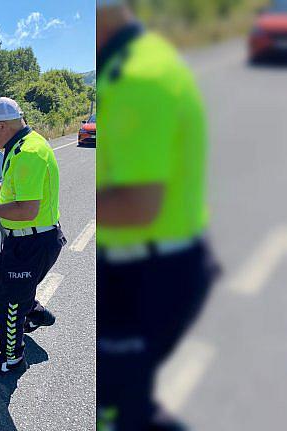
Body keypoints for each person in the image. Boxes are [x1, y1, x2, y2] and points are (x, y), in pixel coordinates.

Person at [96, 2, 218, 429]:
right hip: (154, 264)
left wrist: (52, 205)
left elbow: (139, 204)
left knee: (113, 409)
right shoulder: (134, 63)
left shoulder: (136, 76)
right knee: (125, 404)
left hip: (147, 273)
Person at [0, 97, 66, 376]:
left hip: (33, 241)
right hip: (25, 239)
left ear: (1, 125)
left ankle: (12, 358)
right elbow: (17, 187)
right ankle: (33, 312)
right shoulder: (23, 144)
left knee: (8, 302)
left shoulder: (27, 153)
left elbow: (26, 209)